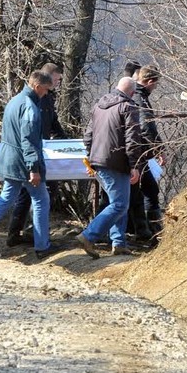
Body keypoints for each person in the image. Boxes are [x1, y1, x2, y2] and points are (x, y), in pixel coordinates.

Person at [0, 71, 54, 264]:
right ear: (37, 86)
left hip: (9, 160)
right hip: (23, 162)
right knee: (41, 199)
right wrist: (34, 168)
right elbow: (29, 141)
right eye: (46, 90)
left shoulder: (14, 101)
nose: (47, 94)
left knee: (6, 198)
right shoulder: (30, 108)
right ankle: (42, 246)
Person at [76, 77, 143, 258]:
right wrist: (134, 165)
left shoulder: (99, 105)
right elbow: (132, 139)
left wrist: (91, 157)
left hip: (98, 160)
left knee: (118, 202)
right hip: (116, 162)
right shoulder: (129, 107)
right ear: (132, 93)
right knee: (120, 204)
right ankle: (88, 236)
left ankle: (119, 243)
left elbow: (87, 136)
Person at [6, 62, 66, 247]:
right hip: (32, 153)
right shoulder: (35, 99)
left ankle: (21, 233)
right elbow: (30, 132)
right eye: (56, 79)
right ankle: (33, 236)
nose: (57, 84)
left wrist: (63, 138)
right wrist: (33, 162)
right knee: (36, 195)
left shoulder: (46, 97)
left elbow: (52, 120)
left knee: (26, 195)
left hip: (40, 149)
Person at [132, 65, 165, 239]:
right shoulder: (140, 98)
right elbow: (146, 127)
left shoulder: (133, 94)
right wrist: (158, 149)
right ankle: (154, 232)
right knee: (150, 191)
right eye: (155, 84)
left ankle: (142, 231)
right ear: (150, 81)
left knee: (135, 193)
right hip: (140, 152)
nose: (155, 88)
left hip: (133, 151)